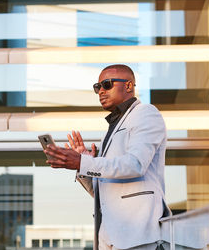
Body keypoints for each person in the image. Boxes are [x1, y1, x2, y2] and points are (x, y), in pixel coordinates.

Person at [44, 64, 171, 250]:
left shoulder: (145, 113)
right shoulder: (109, 132)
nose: (101, 91)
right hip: (110, 239)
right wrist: (84, 168)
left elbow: (135, 164)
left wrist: (83, 162)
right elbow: (102, 193)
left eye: (107, 84)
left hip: (141, 236)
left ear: (128, 86)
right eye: (97, 87)